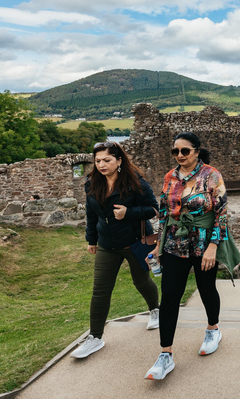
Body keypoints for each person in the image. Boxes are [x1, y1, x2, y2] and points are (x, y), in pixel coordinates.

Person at [145, 132, 230, 380]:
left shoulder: (211, 175)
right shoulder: (170, 177)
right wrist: (158, 244)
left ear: (197, 151)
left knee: (206, 288)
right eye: (176, 151)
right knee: (170, 295)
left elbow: (222, 213)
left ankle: (213, 328)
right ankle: (165, 354)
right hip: (174, 242)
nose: (180, 155)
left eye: (185, 151)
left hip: (203, 242)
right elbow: (163, 212)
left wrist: (214, 245)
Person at [71, 141, 160, 359]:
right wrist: (91, 240)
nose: (101, 165)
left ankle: (156, 309)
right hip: (106, 244)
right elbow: (91, 214)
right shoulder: (92, 183)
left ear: (119, 161)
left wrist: (128, 212)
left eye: (107, 160)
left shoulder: (135, 182)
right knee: (100, 290)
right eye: (98, 160)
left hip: (134, 242)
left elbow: (153, 209)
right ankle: (95, 337)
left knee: (141, 281)